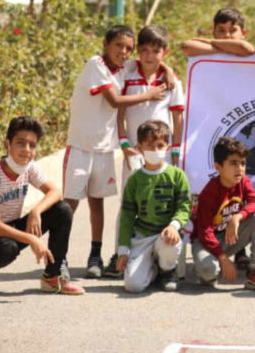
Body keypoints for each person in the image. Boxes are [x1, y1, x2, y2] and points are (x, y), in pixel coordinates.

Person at [65, 24, 168, 279]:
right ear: (105, 44)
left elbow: (153, 59)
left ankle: (95, 255)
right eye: (118, 46)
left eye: (128, 48)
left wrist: (169, 70)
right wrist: (150, 94)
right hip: (80, 146)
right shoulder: (96, 64)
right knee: (69, 205)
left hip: (104, 148)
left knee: (97, 203)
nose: (123, 52)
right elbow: (115, 101)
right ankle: (59, 256)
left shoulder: (124, 68)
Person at [0, 116, 84, 295]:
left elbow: (56, 192)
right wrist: (32, 239)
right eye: (20, 143)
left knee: (62, 210)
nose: (26, 150)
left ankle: (52, 276)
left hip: (10, 226)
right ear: (7, 144)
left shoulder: (29, 167)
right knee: (8, 249)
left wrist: (36, 211)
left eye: (32, 145)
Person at [107, 24, 186, 277]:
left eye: (155, 51)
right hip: (135, 152)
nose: (149, 56)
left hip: (162, 152)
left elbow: (178, 118)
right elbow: (119, 110)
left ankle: (166, 258)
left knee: (165, 201)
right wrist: (124, 143)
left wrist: (175, 150)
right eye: (144, 50)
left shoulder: (172, 82)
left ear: (165, 51)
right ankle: (121, 253)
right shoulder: (128, 72)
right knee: (128, 204)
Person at [115, 120, 192, 293]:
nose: (155, 150)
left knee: (168, 242)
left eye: (160, 145)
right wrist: (123, 250)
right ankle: (153, 270)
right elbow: (127, 215)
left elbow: (184, 206)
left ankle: (167, 270)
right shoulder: (135, 179)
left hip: (166, 235)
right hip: (142, 237)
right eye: (149, 146)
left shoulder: (177, 175)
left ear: (168, 146)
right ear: (139, 147)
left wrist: (174, 226)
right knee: (133, 286)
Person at [191, 137, 255, 292]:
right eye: (233, 163)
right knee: (208, 272)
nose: (240, 169)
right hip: (207, 242)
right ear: (218, 167)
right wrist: (223, 259)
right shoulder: (209, 192)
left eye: (243, 163)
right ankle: (205, 269)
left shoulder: (243, 181)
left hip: (231, 237)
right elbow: (204, 233)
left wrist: (238, 217)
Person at [180, 7, 255, 57]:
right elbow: (187, 46)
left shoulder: (248, 54)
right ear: (214, 33)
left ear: (243, 33)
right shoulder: (210, 49)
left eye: (232, 30)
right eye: (221, 30)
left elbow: (244, 48)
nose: (227, 35)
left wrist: (209, 41)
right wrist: (230, 48)